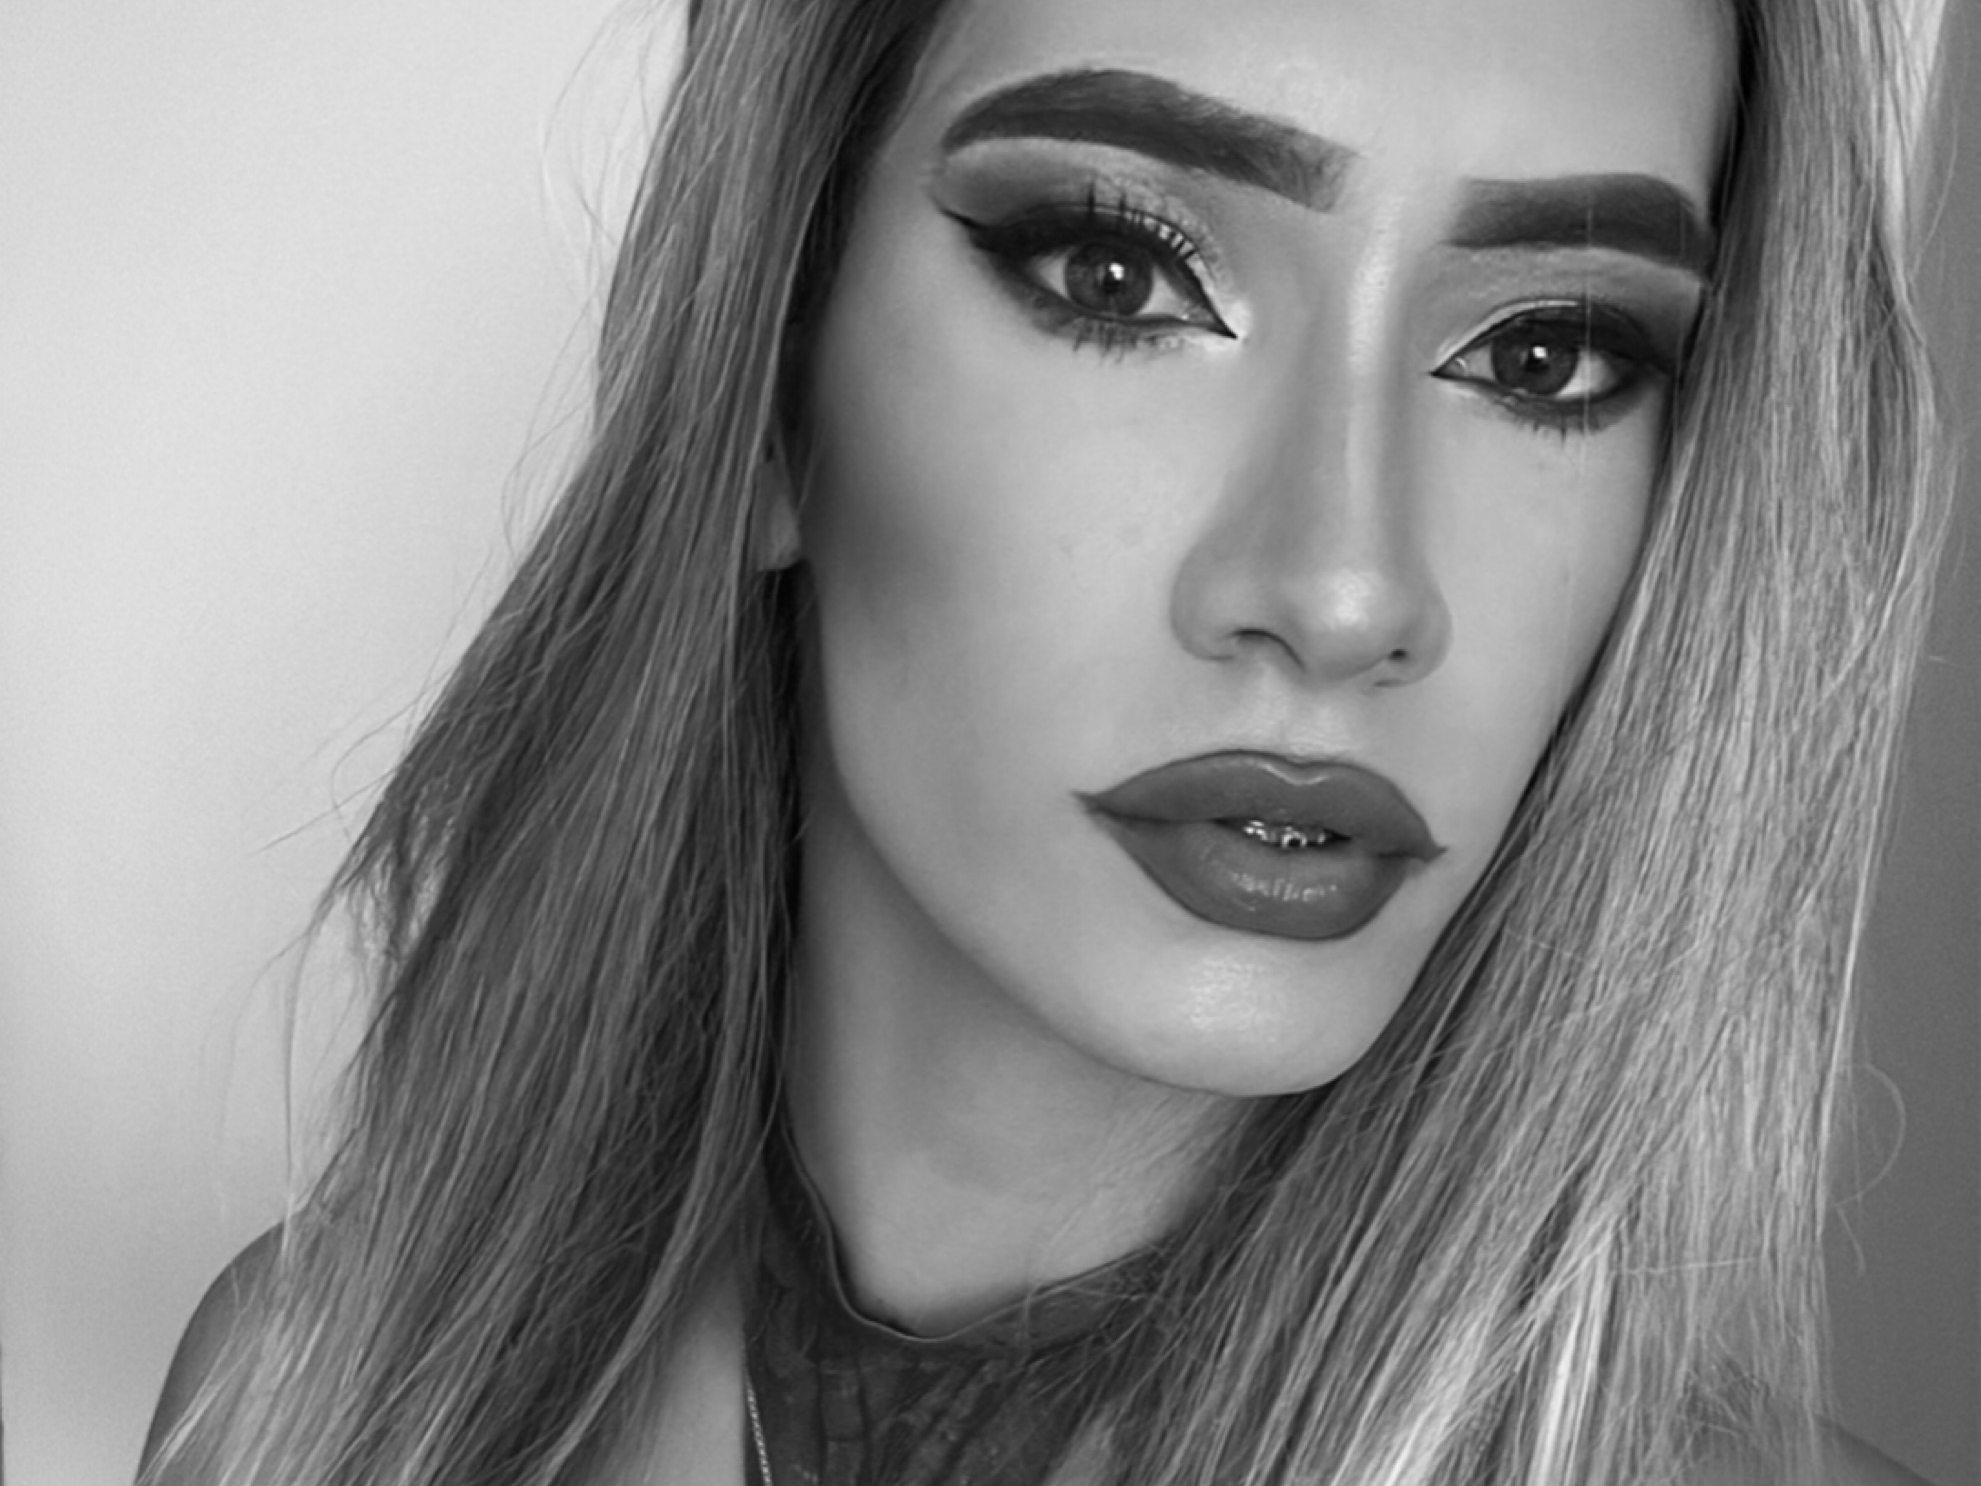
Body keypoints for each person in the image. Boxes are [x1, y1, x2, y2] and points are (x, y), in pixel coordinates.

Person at [136, 0, 1952, 1481]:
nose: (1343, 592)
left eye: (1545, 355)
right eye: (1116, 276)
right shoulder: (308, 1405)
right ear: (766, 384)